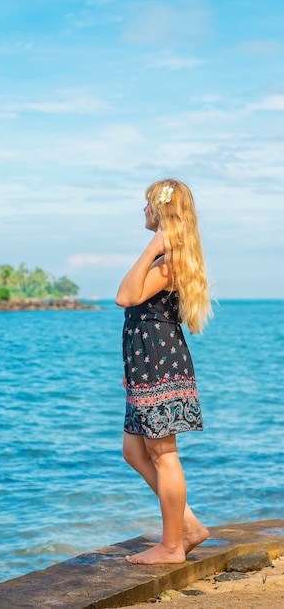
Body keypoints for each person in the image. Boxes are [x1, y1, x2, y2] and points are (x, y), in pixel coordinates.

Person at [115, 178, 212, 565]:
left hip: (159, 366)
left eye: (147, 205)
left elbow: (125, 296)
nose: (143, 211)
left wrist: (154, 245)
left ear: (161, 211)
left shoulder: (169, 259)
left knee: (163, 453)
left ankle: (172, 545)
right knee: (134, 450)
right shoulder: (169, 258)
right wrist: (130, 367)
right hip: (147, 364)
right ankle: (187, 525)